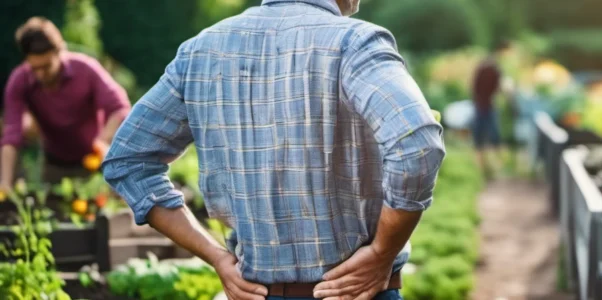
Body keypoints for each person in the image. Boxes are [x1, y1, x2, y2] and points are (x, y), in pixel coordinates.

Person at [100, 1, 445, 300]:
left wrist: (217, 257)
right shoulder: (355, 43)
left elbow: (128, 159)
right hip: (357, 292)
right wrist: (383, 252)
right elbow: (416, 142)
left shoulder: (200, 51)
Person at [1, 17, 130, 188]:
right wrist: (5, 182)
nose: (40, 75)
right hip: (55, 164)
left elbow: (120, 107)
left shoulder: (85, 69)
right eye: (34, 68)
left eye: (46, 67)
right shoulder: (19, 80)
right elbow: (12, 135)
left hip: (94, 161)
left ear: (59, 51)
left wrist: (103, 141)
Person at [471, 40, 511, 178]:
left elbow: (474, 86)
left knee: (480, 138)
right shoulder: (494, 67)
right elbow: (500, 88)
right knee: (493, 138)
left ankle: (484, 170)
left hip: (480, 105)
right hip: (486, 106)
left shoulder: (484, 66)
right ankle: (495, 169)